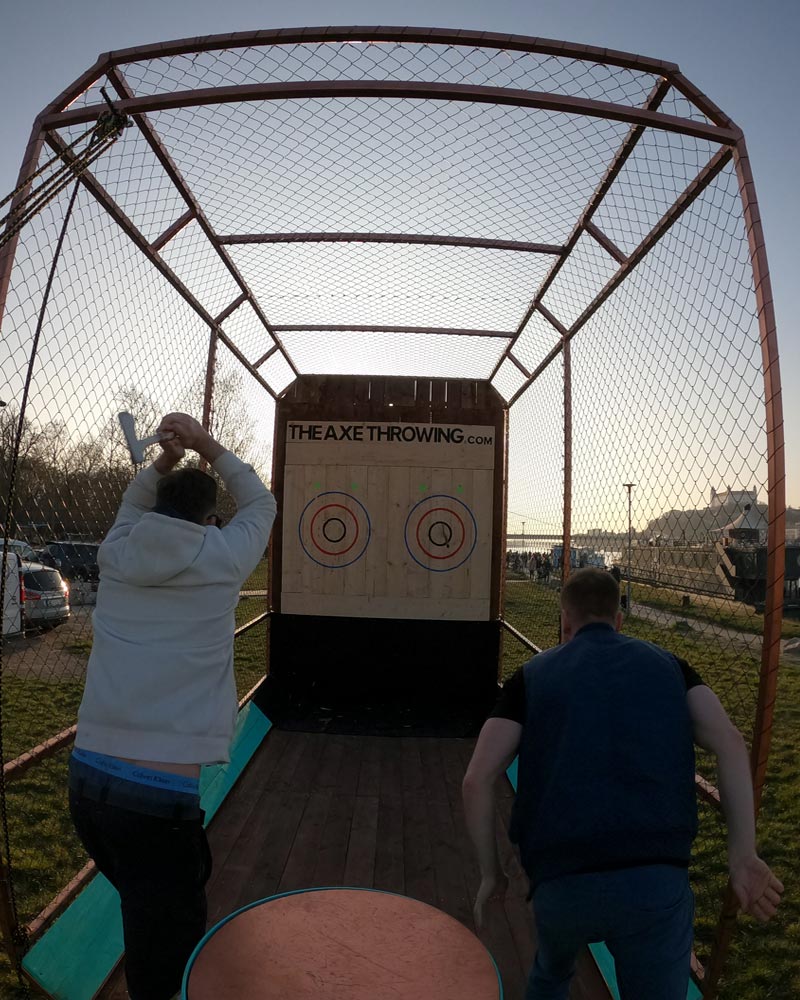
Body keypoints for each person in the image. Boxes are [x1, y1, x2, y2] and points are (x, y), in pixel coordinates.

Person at [462, 567, 782, 1000]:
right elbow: (728, 742)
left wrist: (490, 873)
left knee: (552, 971)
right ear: (619, 620)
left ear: (565, 621)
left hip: (562, 879)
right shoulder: (673, 668)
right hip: (655, 878)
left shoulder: (531, 677)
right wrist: (742, 854)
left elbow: (477, 779)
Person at [68, 413, 277, 1000]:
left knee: (152, 916)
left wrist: (163, 457)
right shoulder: (224, 555)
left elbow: (133, 505)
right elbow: (260, 500)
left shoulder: (117, 549)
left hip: (87, 785)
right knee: (166, 959)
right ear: (211, 519)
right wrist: (205, 443)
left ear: (157, 509)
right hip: (157, 801)